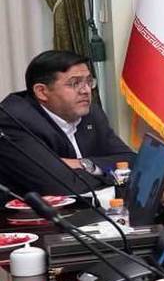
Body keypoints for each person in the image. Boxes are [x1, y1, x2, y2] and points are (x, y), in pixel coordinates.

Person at [0, 50, 134, 194]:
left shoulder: (91, 113)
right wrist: (112, 174)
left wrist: (83, 164)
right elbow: (62, 187)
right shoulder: (14, 121)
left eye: (89, 81)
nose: (86, 90)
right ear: (41, 92)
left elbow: (131, 160)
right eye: (75, 83)